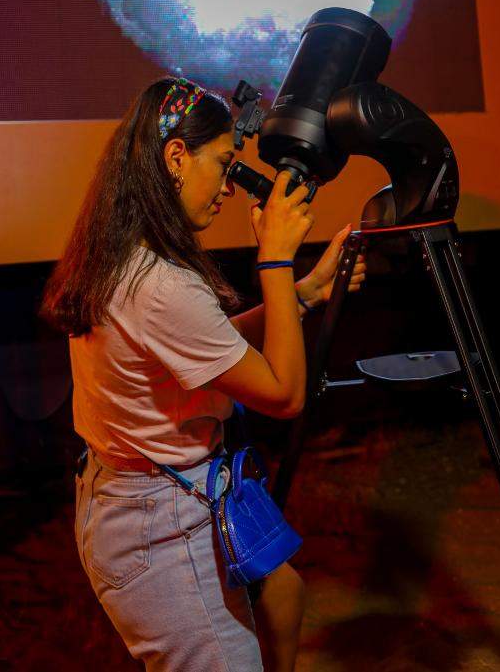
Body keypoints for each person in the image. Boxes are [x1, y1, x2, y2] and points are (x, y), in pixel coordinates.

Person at [41, 77, 366, 672]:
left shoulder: (121, 251)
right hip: (159, 522)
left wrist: (303, 294)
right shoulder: (160, 286)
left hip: (130, 494)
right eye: (223, 164)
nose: (228, 187)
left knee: (283, 598)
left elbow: (203, 346)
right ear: (175, 157)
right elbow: (285, 395)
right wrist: (274, 257)